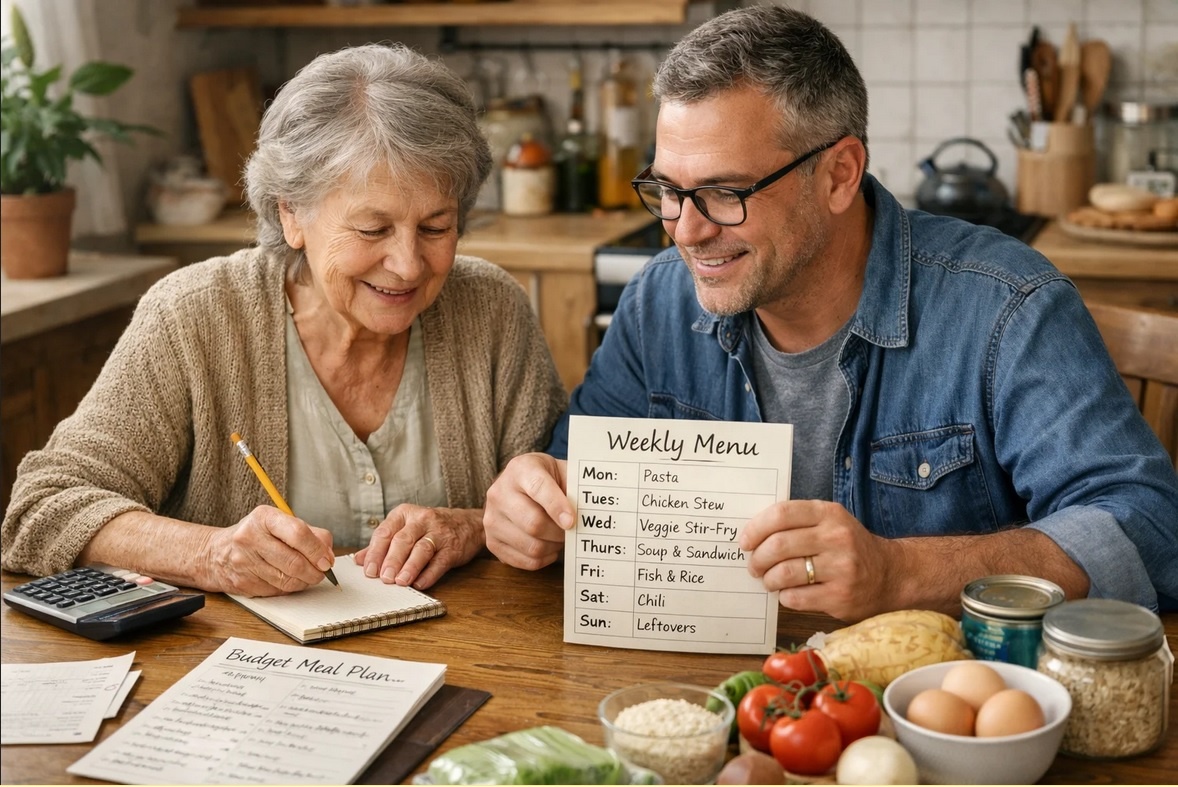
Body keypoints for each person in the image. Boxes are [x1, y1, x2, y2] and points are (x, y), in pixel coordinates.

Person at [483, 6, 1178, 619]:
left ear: (840, 174)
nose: (685, 231)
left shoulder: (1007, 308)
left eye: (726, 193)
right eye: (668, 189)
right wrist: (532, 504)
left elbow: (1147, 529)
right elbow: (574, 481)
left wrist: (901, 573)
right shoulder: (656, 303)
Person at [2, 44, 566, 596]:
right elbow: (42, 508)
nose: (408, 264)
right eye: (372, 229)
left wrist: (472, 527)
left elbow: (564, 503)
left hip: (468, 651)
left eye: (436, 227)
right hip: (234, 655)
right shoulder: (195, 315)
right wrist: (211, 554)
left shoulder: (492, 309)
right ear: (290, 213)